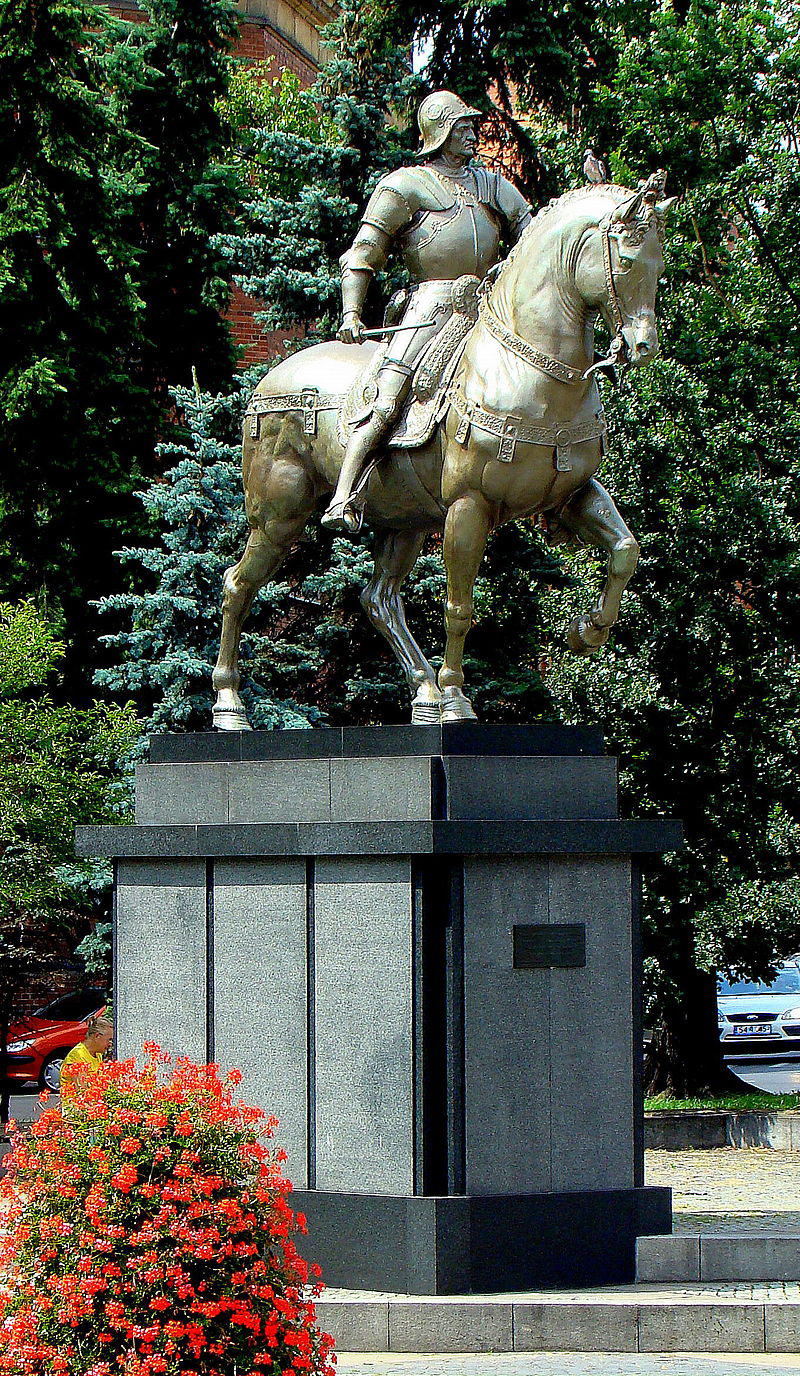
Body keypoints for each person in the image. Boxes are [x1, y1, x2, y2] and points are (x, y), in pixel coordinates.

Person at [320, 89, 533, 532]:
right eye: (462, 127)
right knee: (388, 399)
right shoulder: (406, 185)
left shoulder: (491, 184)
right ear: (440, 133)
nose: (472, 134)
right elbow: (363, 253)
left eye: (472, 126)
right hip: (431, 307)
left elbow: (529, 233)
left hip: (491, 304)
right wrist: (351, 313)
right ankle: (345, 493)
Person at [59, 1012, 113, 1098]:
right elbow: (81, 1091)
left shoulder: (98, 1055)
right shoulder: (77, 1055)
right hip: (77, 1107)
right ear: (97, 1036)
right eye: (109, 1040)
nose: (110, 1044)